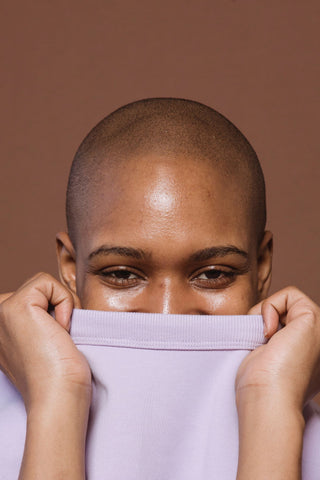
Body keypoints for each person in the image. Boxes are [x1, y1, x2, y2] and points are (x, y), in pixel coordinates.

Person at [0, 98, 319, 479]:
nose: (167, 314)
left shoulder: (288, 410)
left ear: (261, 266)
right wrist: (58, 396)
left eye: (213, 273)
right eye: (122, 274)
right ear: (71, 268)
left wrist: (272, 403)